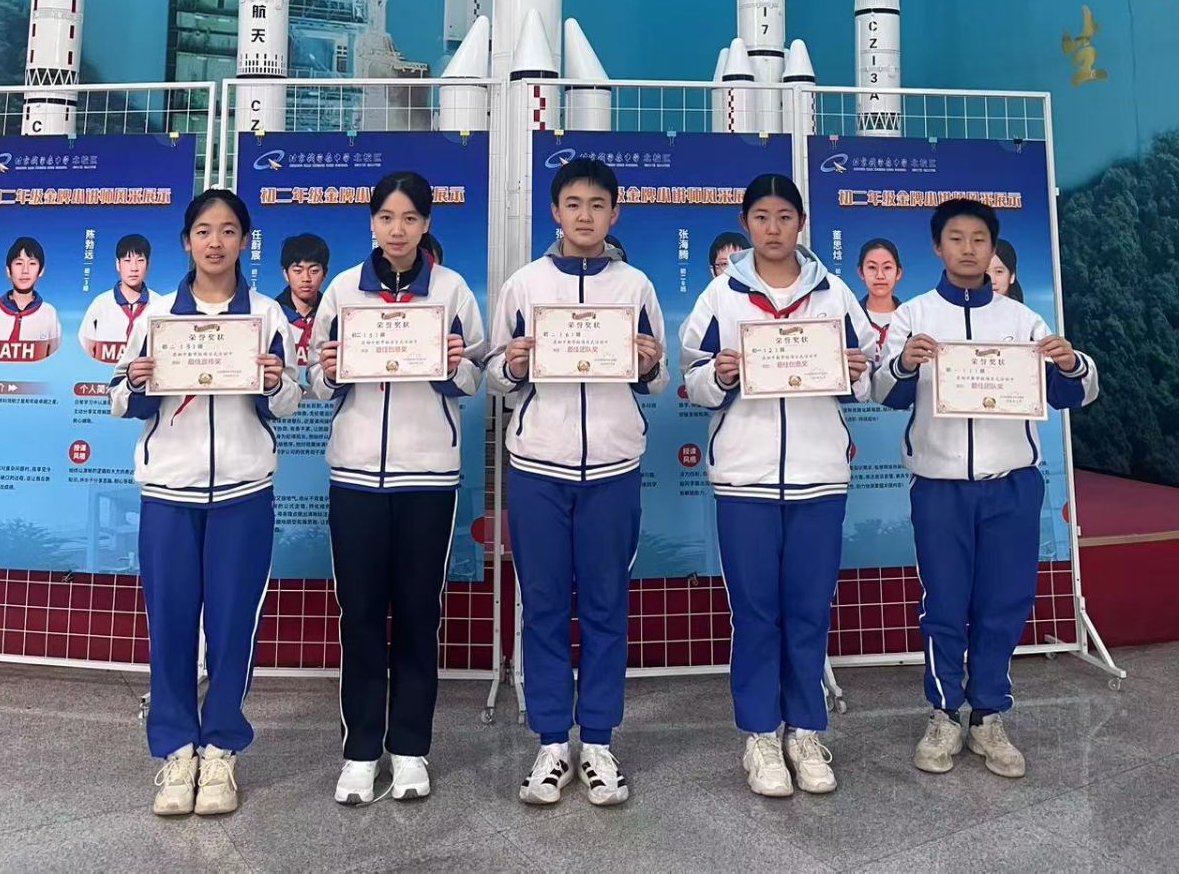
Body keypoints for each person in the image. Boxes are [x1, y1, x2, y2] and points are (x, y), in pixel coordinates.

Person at [872, 198, 1098, 779]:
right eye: (956, 238)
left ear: (993, 248)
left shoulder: (1022, 321)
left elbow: (1072, 394)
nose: (968, 248)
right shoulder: (913, 316)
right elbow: (883, 393)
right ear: (937, 247)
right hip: (940, 486)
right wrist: (903, 364)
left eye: (979, 239)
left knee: (1005, 601)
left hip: (1013, 485)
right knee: (945, 603)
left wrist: (1071, 362)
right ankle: (945, 713)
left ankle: (989, 715)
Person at [680, 173, 878, 799]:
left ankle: (806, 731)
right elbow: (691, 380)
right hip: (745, 478)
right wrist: (720, 374)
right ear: (745, 224)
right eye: (761, 217)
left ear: (800, 223)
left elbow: (869, 375)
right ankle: (761, 735)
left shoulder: (835, 294)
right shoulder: (721, 295)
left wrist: (856, 370)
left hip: (820, 476)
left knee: (810, 609)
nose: (773, 228)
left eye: (784, 217)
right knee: (756, 613)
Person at [110, 189, 300, 818]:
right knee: (168, 624)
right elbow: (119, 397)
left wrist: (276, 382)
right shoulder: (157, 315)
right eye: (203, 231)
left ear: (245, 240)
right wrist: (134, 381)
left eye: (227, 230)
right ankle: (175, 750)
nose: (215, 242)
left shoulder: (267, 315)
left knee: (232, 626)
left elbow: (290, 402)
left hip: (244, 492)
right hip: (169, 491)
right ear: (186, 241)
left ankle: (220, 748)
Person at [487, 158, 666, 809]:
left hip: (613, 468)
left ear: (614, 213)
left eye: (597, 205)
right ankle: (549, 743)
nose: (585, 215)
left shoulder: (635, 285)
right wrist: (512, 364)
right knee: (541, 604)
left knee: (604, 605)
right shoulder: (525, 284)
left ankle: (597, 741)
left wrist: (649, 364)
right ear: (555, 213)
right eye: (573, 204)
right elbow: (496, 378)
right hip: (538, 466)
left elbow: (656, 380)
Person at [307, 172, 485, 807]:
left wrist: (452, 366)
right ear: (372, 223)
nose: (398, 229)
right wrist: (329, 371)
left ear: (427, 224)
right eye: (386, 217)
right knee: (358, 614)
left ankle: (409, 748)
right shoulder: (341, 290)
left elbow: (476, 375)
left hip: (429, 475)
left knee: (417, 613)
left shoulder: (453, 289)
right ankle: (360, 751)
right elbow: (317, 381)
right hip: (355, 476)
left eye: (410, 218)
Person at [0, 236, 62, 363]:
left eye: (32, 263)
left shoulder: (49, 313)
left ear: (41, 271)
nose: (25, 271)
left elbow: (56, 360)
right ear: (8, 271)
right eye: (19, 263)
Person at [79, 233, 152, 365]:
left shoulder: (159, 305)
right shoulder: (100, 304)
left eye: (140, 260)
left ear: (148, 264)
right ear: (118, 264)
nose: (134, 268)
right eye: (127, 261)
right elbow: (85, 350)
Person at [273, 232, 329, 368]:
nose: (306, 278)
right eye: (298, 271)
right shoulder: (272, 314)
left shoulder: (333, 316)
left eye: (314, 271)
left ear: (324, 274)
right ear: (286, 274)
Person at [857, 237, 903, 345]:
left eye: (887, 268)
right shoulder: (850, 317)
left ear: (898, 273)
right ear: (861, 272)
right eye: (872, 267)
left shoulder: (910, 317)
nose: (880, 276)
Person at [988, 238, 1024, 303]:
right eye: (984, 272)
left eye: (999, 271)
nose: (992, 281)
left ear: (1012, 276)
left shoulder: (1020, 309)